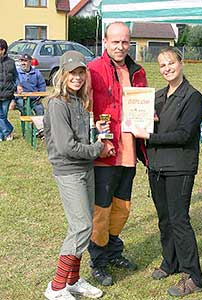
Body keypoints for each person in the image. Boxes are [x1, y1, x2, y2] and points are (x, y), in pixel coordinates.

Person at [131, 46, 202, 297]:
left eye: (171, 63)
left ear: (181, 63)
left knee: (179, 220)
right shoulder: (159, 96)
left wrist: (150, 135)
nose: (167, 68)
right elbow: (140, 118)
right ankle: (170, 262)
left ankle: (193, 276)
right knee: (164, 219)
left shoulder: (193, 97)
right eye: (162, 65)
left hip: (180, 167)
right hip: (158, 166)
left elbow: (185, 134)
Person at [43, 50, 109, 300]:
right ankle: (57, 287)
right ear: (63, 74)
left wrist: (96, 131)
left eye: (81, 72)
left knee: (82, 225)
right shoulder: (58, 104)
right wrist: (97, 149)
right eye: (73, 72)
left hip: (84, 168)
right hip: (69, 171)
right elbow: (66, 146)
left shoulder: (78, 101)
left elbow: (79, 138)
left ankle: (73, 280)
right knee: (81, 226)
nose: (78, 77)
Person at [87, 21, 148, 286]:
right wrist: (95, 136)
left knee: (122, 208)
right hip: (104, 154)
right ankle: (98, 261)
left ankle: (113, 251)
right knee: (101, 210)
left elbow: (142, 108)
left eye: (125, 42)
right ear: (105, 41)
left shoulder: (138, 71)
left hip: (129, 152)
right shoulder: (92, 70)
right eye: (115, 42)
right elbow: (84, 109)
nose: (120, 46)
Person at [0, 38, 17, 142]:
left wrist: (15, 87)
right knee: (0, 116)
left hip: (7, 94)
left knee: (3, 116)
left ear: (3, 50)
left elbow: (15, 76)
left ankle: (3, 135)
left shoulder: (11, 62)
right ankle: (8, 130)